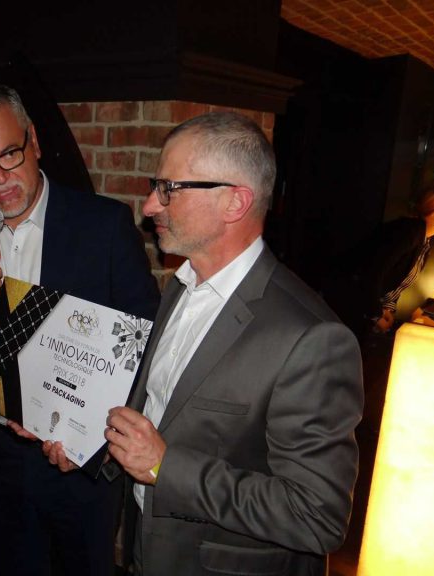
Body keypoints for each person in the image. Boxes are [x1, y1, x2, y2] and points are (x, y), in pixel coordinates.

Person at [43, 112, 363, 575]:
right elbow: (160, 417)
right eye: (155, 187)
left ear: (235, 202)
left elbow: (317, 516)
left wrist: (165, 467)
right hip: (145, 550)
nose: (149, 206)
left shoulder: (313, 339)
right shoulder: (179, 286)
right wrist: (89, 445)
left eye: (168, 188)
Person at [0, 82, 159, 576]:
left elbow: (144, 344)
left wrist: (94, 441)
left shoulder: (104, 225)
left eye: (8, 154)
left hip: (79, 461)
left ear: (33, 141)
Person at [358, 180, 434, 333]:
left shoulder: (423, 241)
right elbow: (372, 272)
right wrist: (375, 314)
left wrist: (387, 309)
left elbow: (393, 282)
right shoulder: (408, 232)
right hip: (352, 309)